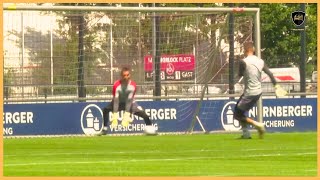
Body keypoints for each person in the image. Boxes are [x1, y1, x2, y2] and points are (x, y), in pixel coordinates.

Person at [235, 41, 287, 139]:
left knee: (237, 115)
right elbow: (270, 74)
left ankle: (258, 125)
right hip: (258, 92)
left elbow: (240, 75)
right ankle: (246, 134)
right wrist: (276, 86)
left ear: (245, 50)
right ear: (253, 50)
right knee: (239, 111)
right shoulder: (260, 61)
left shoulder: (243, 61)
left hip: (249, 92)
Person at [101, 67, 156, 134]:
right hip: (118, 102)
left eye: (127, 75)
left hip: (130, 103)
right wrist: (115, 114)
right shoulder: (116, 85)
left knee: (145, 115)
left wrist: (127, 114)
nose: (126, 77)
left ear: (130, 75)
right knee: (105, 110)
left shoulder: (133, 86)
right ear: (121, 76)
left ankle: (150, 129)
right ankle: (105, 129)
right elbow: (116, 100)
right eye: (124, 75)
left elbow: (129, 101)